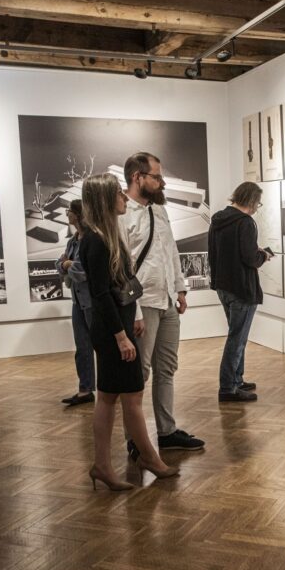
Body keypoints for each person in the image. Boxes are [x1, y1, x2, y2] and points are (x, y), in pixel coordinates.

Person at [79, 173, 178, 491]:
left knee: (109, 397)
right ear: (105, 199)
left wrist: (131, 318)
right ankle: (147, 457)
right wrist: (121, 336)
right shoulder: (96, 240)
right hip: (112, 332)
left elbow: (118, 287)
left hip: (115, 327)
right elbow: (100, 295)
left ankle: (104, 466)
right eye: (119, 194)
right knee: (131, 395)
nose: (124, 198)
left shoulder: (105, 236)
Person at [120, 152, 205, 457]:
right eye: (156, 177)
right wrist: (135, 311)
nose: (162, 182)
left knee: (166, 369)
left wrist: (180, 289)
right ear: (137, 177)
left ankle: (166, 432)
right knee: (139, 374)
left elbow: (170, 252)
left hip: (167, 300)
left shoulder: (159, 211)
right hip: (143, 304)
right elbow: (122, 268)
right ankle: (135, 438)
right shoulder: (122, 214)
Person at [207, 182, 272, 402]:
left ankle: (237, 379)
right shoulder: (245, 222)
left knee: (237, 335)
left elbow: (214, 253)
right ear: (251, 200)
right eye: (258, 203)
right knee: (237, 338)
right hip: (242, 289)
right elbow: (250, 258)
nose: (257, 208)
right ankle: (228, 388)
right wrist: (264, 255)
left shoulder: (218, 219)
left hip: (223, 287)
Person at [57, 199, 94, 406]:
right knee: (82, 347)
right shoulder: (73, 241)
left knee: (100, 346)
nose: (67, 214)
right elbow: (60, 264)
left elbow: (82, 272)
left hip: (92, 301)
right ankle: (85, 389)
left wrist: (66, 264)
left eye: (69, 211)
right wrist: (67, 264)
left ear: (78, 215)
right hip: (78, 300)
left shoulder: (90, 239)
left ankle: (108, 389)